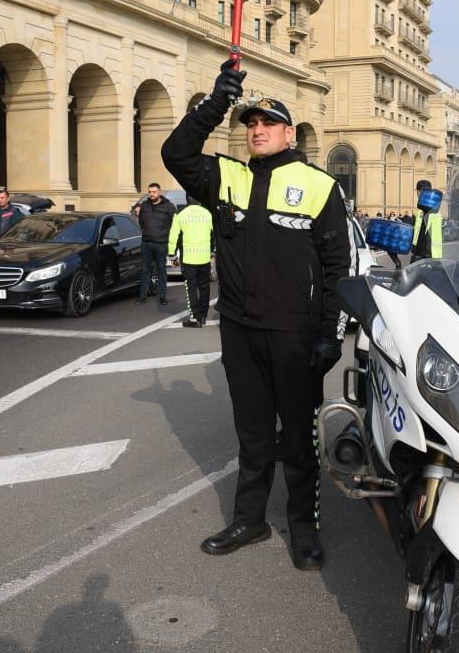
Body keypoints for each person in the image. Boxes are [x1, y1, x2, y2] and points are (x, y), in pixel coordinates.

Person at [162, 59, 351, 571]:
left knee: (299, 438)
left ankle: (304, 527)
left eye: (269, 123)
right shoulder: (225, 175)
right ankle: (250, 520)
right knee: (252, 434)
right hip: (240, 330)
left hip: (296, 335)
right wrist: (214, 104)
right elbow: (175, 153)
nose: (258, 130)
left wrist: (331, 336)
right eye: (251, 123)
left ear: (290, 133)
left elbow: (339, 268)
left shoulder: (319, 185)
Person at [168, 193, 213, 327]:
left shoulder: (180, 214)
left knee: (191, 288)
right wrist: (213, 250)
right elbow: (213, 234)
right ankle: (203, 316)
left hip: (189, 258)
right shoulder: (207, 213)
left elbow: (174, 236)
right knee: (204, 287)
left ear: (187, 199)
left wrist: (172, 255)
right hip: (204, 257)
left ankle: (194, 318)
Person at [135, 183, 176, 306]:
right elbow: (141, 222)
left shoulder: (169, 206)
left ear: (159, 192)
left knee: (161, 270)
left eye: (154, 192)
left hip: (161, 244)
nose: (151, 194)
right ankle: (142, 296)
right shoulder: (145, 205)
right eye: (150, 192)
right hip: (146, 243)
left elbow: (174, 225)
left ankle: (162, 297)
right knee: (145, 270)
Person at [411, 179, 443, 262]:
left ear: (418, 192)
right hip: (426, 253)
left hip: (428, 254)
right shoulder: (434, 210)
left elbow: (429, 235)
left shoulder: (430, 212)